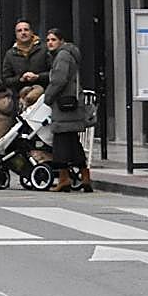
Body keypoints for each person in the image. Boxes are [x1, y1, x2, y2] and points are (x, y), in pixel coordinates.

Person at [42, 28, 91, 193]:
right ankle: (85, 177)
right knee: (73, 142)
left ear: (61, 41)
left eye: (53, 39)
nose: (50, 43)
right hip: (71, 104)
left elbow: (59, 79)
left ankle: (64, 179)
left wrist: (48, 97)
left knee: (61, 142)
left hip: (63, 105)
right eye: (48, 40)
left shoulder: (62, 55)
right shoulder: (68, 54)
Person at [0, 20, 51, 101]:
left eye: (26, 30)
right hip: (20, 99)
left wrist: (38, 77)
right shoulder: (10, 54)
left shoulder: (44, 49)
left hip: (44, 97)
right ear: (16, 34)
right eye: (19, 31)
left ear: (31, 32)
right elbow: (6, 80)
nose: (23, 33)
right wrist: (20, 79)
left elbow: (53, 73)